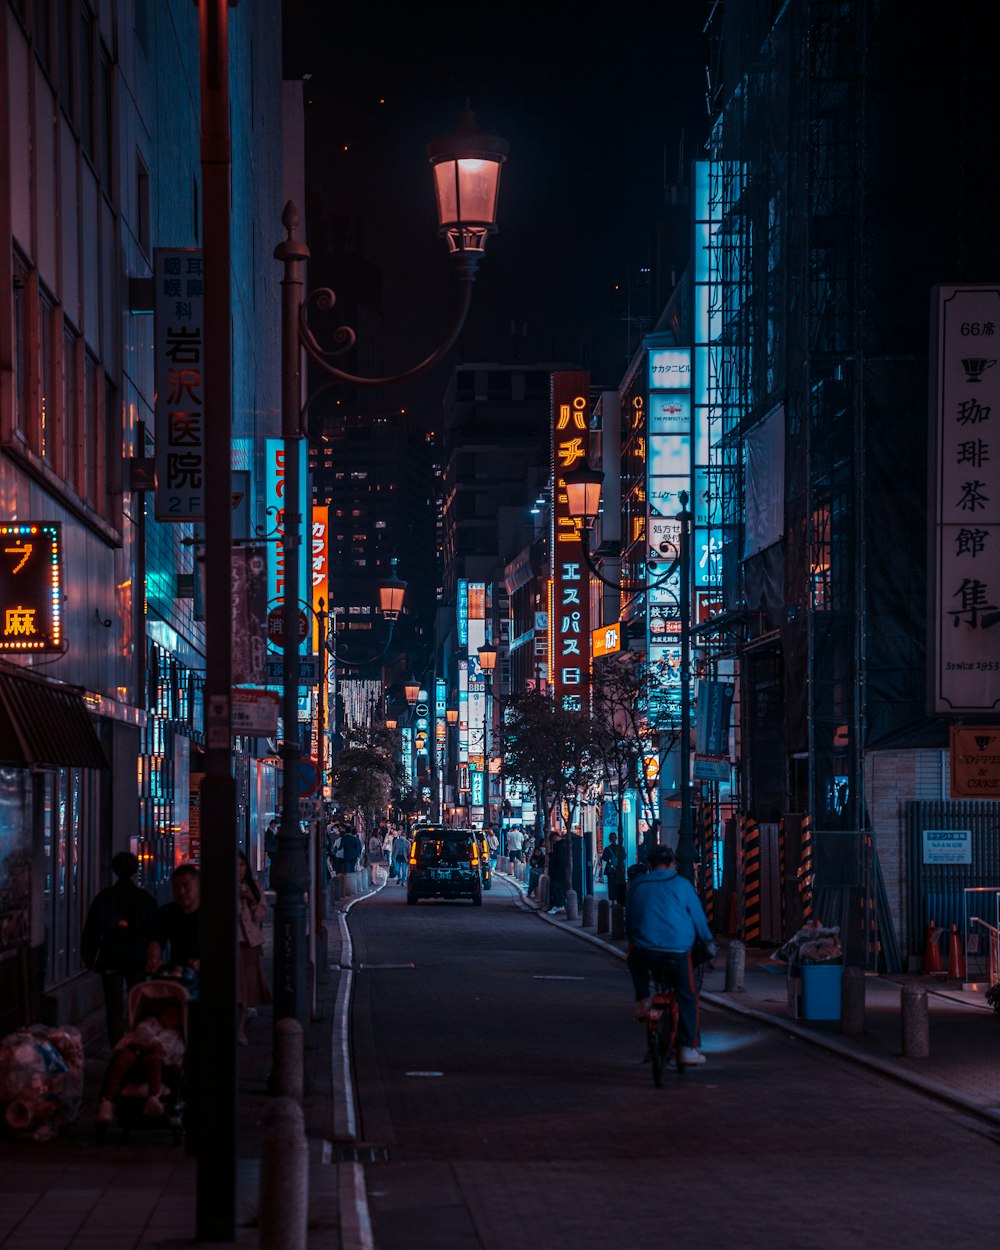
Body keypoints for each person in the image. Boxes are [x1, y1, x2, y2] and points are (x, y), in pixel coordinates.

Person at [625, 844, 716, 1066]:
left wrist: (635, 939)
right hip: (678, 950)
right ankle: (687, 1048)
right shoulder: (682, 885)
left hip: (645, 949)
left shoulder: (638, 884)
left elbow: (631, 918)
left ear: (649, 864)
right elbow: (698, 919)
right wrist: (708, 942)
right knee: (687, 996)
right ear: (672, 864)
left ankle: (643, 999)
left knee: (634, 958)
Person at [82, 852, 160, 1044]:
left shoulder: (105, 898)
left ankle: (117, 1047)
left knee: (114, 1007)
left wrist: (90, 958)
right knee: (138, 1004)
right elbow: (154, 930)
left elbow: (92, 930)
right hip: (137, 957)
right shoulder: (145, 899)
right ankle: (138, 1042)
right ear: (136, 870)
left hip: (111, 957)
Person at [95, 998, 186, 1121]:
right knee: (121, 1059)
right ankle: (106, 1101)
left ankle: (153, 1097)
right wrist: (154, 1042)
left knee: (154, 1059)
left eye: (175, 1016)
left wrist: (176, 1061)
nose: (169, 1017)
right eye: (167, 1013)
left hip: (156, 1060)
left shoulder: (175, 1035)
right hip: (136, 1050)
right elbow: (141, 1030)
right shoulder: (151, 1022)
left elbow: (177, 1052)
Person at [237, 851, 271, 1045]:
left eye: (241, 865)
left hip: (248, 943)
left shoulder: (253, 887)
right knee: (235, 990)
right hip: (231, 943)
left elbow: (261, 913)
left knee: (245, 990)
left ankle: (240, 1029)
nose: (239, 870)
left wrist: (250, 899)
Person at [147, 864, 201, 974]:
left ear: (198, 886)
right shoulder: (167, 912)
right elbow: (157, 939)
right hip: (176, 972)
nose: (181, 891)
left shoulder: (212, 914)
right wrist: (154, 960)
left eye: (186, 886)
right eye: (176, 886)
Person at [547, 833, 568, 913]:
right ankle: (560, 905)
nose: (553, 841)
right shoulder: (563, 844)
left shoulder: (560, 846)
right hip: (560, 871)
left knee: (556, 888)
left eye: (553, 839)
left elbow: (558, 858)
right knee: (559, 888)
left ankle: (558, 905)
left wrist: (551, 855)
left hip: (558, 871)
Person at [263, 818, 279, 888]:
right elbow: (271, 842)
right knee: (272, 867)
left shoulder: (271, 832)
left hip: (272, 851)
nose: (275, 826)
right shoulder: (269, 832)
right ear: (272, 824)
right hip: (272, 851)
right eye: (275, 825)